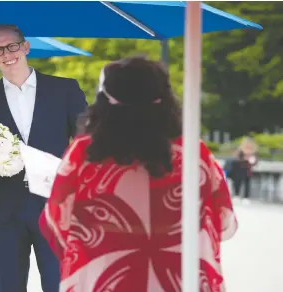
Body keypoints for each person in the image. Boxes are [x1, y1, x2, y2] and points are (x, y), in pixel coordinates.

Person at [39, 56, 238, 292]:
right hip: (178, 273)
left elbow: (54, 219)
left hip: (104, 271)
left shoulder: (84, 153)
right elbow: (223, 220)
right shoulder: (193, 153)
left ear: (105, 99)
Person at [0, 24, 88, 292]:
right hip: (3, 212)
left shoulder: (65, 89)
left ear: (25, 47)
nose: (7, 54)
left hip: (55, 208)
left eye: (12, 46)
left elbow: (87, 146)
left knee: (61, 285)